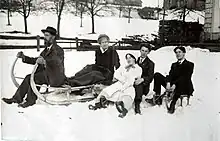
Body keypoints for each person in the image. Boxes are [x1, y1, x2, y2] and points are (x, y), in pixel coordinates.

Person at [2, 26, 66, 108]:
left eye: (47, 35)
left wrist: (45, 61)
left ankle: (30, 101)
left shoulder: (58, 50)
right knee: (29, 77)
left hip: (55, 77)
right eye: (44, 35)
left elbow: (57, 61)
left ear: (53, 37)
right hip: (47, 75)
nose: (44, 38)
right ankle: (16, 99)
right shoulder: (46, 50)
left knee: (35, 78)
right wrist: (24, 57)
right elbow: (37, 60)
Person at [89, 53, 142, 118]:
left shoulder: (138, 68)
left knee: (128, 95)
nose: (128, 59)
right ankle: (98, 104)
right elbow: (116, 74)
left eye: (130, 57)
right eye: (127, 58)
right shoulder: (124, 67)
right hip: (120, 83)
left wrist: (125, 82)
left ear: (134, 58)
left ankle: (124, 110)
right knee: (107, 90)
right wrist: (122, 79)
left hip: (129, 85)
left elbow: (132, 78)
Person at [151, 46, 194, 114]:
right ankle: (157, 96)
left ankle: (173, 103)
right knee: (157, 75)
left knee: (182, 81)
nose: (178, 54)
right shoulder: (174, 65)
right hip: (172, 85)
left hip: (183, 86)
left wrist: (174, 84)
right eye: (176, 52)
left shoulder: (189, 64)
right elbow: (170, 75)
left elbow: (185, 77)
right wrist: (168, 82)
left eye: (180, 52)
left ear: (184, 53)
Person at [134, 43, 155, 114]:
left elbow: (150, 77)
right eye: (142, 50)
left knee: (138, 85)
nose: (144, 53)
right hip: (133, 82)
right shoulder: (135, 61)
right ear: (140, 50)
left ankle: (137, 105)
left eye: (146, 51)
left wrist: (142, 79)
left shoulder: (150, 63)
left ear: (148, 52)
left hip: (144, 86)